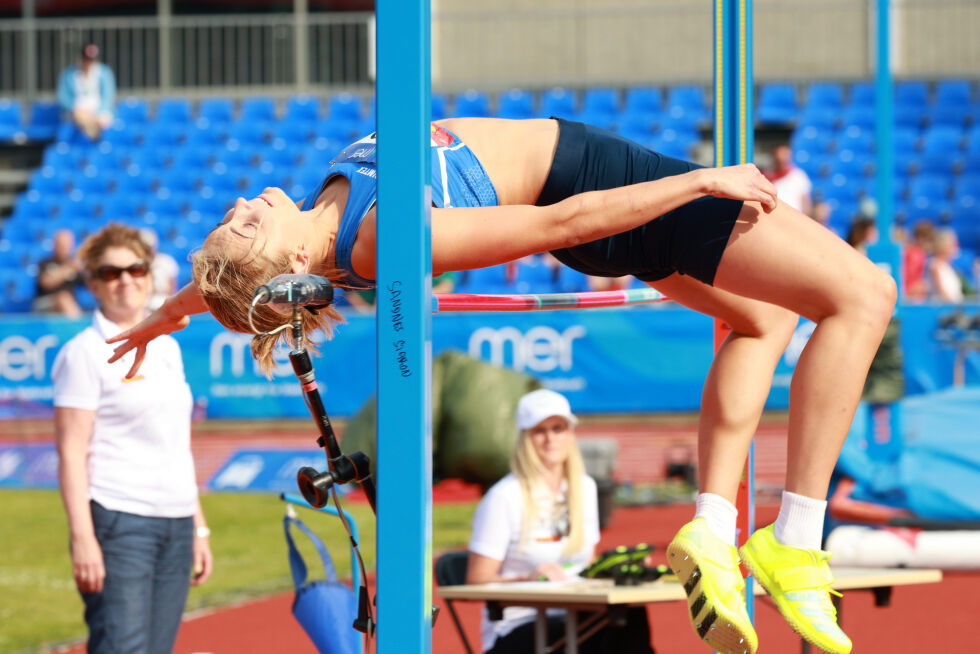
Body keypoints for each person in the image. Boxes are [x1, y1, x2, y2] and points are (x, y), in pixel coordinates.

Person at [107, 116, 897, 654]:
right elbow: (562, 226)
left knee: (763, 320)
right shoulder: (383, 235)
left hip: (599, 195)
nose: (245, 204)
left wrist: (162, 316)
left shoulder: (315, 222)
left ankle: (714, 531)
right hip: (603, 189)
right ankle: (796, 540)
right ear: (289, 265)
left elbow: (237, 290)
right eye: (245, 224)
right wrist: (698, 183)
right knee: (864, 295)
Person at [53, 222, 212, 653]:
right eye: (110, 272)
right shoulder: (84, 352)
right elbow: (70, 452)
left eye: (135, 269)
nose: (125, 280)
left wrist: (198, 528)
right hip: (119, 521)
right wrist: (83, 538)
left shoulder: (168, 346)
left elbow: (175, 444)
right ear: (92, 284)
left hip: (176, 522)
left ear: (150, 275)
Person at [466, 388, 653, 654]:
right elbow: (476, 579)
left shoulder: (584, 488)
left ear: (570, 434)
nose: (550, 439)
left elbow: (586, 565)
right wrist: (527, 578)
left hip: (575, 614)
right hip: (519, 625)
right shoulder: (503, 496)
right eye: (539, 431)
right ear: (524, 438)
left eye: (558, 428)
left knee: (629, 616)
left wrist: (618, 568)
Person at [56, 43, 116, 141]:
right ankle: (94, 136)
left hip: (99, 111)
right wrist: (76, 108)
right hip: (77, 111)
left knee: (102, 119)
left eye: (92, 60)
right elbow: (63, 98)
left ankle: (92, 135)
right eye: (87, 60)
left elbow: (108, 96)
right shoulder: (69, 74)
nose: (89, 63)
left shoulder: (104, 73)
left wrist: (97, 112)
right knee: (81, 116)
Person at [33, 228, 83, 318]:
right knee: (63, 298)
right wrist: (70, 267)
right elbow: (45, 283)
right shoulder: (45, 262)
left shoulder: (75, 265)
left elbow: (89, 285)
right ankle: (77, 327)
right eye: (62, 245)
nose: (65, 248)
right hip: (44, 303)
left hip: (69, 306)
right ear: (55, 245)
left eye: (67, 245)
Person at [764, 143, 812, 216]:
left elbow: (805, 202)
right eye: (779, 155)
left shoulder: (798, 176)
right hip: (774, 218)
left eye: (785, 154)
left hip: (794, 219)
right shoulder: (766, 177)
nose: (781, 158)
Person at [139, 228, 180, 311]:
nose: (147, 250)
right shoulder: (135, 263)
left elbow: (172, 288)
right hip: (142, 306)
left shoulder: (167, 261)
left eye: (149, 247)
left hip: (162, 303)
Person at [928, 228, 964, 303]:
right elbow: (942, 294)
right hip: (945, 311)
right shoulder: (935, 266)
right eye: (952, 245)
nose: (955, 249)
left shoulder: (947, 265)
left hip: (956, 308)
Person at [903, 220, 934, 301]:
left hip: (917, 298)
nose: (931, 243)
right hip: (912, 299)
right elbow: (909, 282)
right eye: (929, 239)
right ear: (920, 237)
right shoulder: (915, 254)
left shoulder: (918, 253)